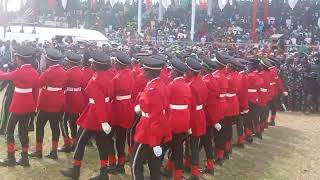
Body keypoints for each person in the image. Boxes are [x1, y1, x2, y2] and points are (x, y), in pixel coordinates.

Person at [61, 51, 114, 180]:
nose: (91, 64)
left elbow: (98, 101)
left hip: (94, 116)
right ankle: (103, 173)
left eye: (93, 63)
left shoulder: (96, 79)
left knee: (80, 142)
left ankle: (76, 170)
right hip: (104, 112)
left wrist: (102, 121)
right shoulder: (109, 75)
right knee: (102, 145)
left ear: (97, 65)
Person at [131, 56, 171, 180]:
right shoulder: (159, 84)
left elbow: (155, 116)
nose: (143, 72)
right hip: (153, 128)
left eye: (145, 70)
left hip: (148, 131)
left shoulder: (153, 89)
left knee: (135, 164)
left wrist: (154, 142)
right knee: (154, 164)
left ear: (151, 72)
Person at [0, 45, 39, 167]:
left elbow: (4, 76)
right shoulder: (34, 72)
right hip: (29, 105)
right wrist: (34, 107)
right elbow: (36, 92)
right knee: (23, 132)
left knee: (10, 131)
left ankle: (11, 158)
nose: (16, 60)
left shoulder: (19, 71)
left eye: (17, 58)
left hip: (18, 105)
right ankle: (24, 159)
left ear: (21, 59)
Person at [29, 48, 67, 160]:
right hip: (58, 102)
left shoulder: (48, 71)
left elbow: (39, 83)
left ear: (50, 60)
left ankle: (38, 151)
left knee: (40, 127)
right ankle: (54, 151)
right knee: (55, 128)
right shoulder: (63, 71)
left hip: (46, 102)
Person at [161, 57, 191, 179]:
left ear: (176, 72)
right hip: (184, 119)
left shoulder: (172, 85)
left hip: (172, 119)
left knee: (163, 145)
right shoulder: (187, 85)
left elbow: (164, 103)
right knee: (178, 148)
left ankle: (157, 168)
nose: (170, 73)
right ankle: (177, 174)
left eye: (172, 71)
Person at [108, 51, 134, 174]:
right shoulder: (130, 74)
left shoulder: (117, 78)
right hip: (127, 107)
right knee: (121, 138)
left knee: (108, 137)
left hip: (117, 109)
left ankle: (113, 162)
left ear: (119, 63)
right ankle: (121, 164)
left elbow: (110, 94)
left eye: (116, 62)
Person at [184, 57, 208, 180]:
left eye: (187, 70)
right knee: (193, 143)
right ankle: (190, 165)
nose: (186, 72)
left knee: (192, 143)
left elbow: (190, 105)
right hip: (200, 114)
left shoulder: (191, 85)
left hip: (193, 116)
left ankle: (194, 171)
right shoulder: (202, 81)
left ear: (191, 72)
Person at [59, 51, 86, 153]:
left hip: (70, 98)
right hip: (79, 97)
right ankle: (75, 142)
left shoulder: (68, 73)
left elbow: (63, 85)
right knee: (74, 121)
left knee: (63, 120)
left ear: (70, 62)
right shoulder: (81, 71)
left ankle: (67, 143)